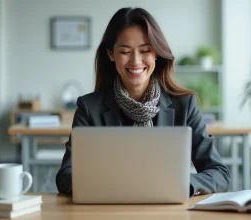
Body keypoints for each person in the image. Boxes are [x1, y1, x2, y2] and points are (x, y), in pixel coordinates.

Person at [56, 7, 230, 196]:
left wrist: (179, 184)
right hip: (110, 207)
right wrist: (112, 185)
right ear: (111, 54)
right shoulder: (89, 108)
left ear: (156, 53)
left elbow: (219, 174)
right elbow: (65, 174)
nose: (136, 61)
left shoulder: (184, 105)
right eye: (125, 51)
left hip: (169, 210)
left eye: (145, 50)